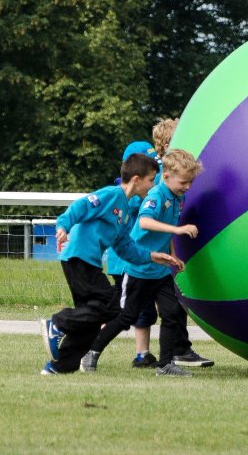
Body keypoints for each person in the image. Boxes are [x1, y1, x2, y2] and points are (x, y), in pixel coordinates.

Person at [37, 154, 184, 375]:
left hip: (90, 263)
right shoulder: (111, 194)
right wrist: (63, 226)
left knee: (93, 318)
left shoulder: (125, 211)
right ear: (136, 179)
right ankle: (58, 323)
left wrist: (152, 256)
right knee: (110, 307)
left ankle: (58, 367)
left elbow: (125, 248)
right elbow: (81, 206)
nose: (153, 185)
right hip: (78, 257)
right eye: (151, 179)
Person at [81, 149, 211, 377]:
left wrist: (173, 255)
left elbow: (165, 233)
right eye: (184, 182)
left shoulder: (178, 197)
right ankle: (91, 352)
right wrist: (178, 230)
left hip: (160, 270)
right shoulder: (155, 196)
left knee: (171, 314)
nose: (188, 187)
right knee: (126, 317)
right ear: (167, 176)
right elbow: (145, 222)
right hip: (139, 268)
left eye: (191, 182)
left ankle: (165, 364)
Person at [103, 140, 161, 368]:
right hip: (126, 264)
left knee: (135, 311)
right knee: (122, 312)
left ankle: (142, 353)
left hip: (131, 261)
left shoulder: (138, 191)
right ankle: (86, 343)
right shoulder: (129, 194)